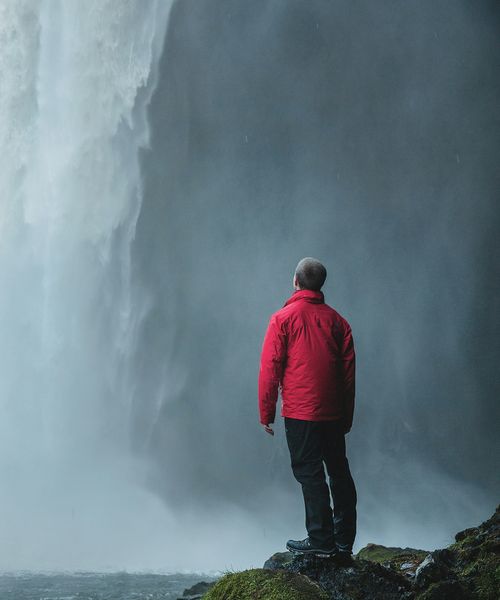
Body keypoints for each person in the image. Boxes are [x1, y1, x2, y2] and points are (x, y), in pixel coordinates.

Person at [258, 257, 357, 559]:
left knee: (309, 473)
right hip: (332, 412)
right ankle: (343, 542)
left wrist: (266, 413)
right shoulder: (339, 322)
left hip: (301, 413)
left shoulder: (283, 319)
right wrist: (346, 417)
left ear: (295, 282)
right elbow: (348, 375)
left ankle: (320, 540)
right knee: (338, 471)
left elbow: (270, 369)